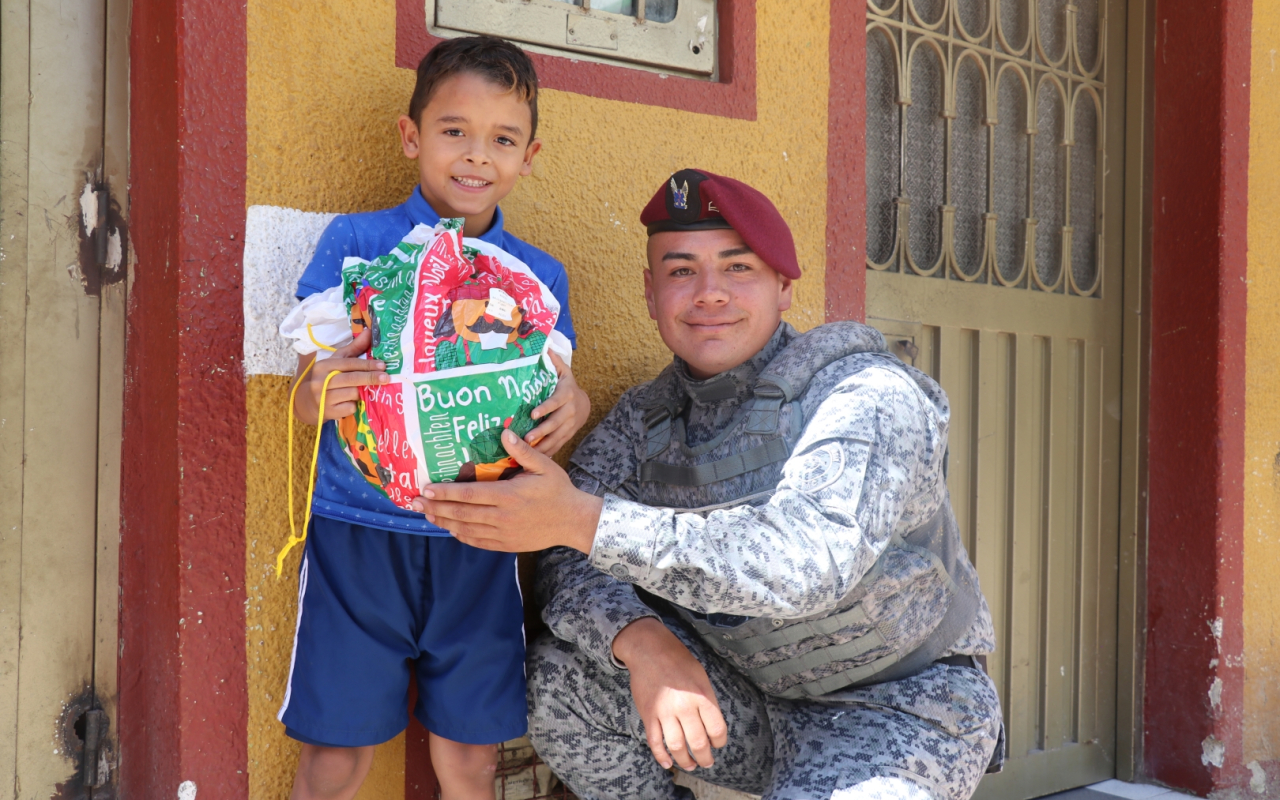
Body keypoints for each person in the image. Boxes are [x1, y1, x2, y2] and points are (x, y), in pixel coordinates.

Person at [414, 169, 1005, 799]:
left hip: (899, 706)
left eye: (738, 268)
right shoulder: (646, 419)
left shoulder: (867, 395)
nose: (709, 293)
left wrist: (584, 520)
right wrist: (642, 645)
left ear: (783, 284)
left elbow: (804, 564)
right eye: (680, 271)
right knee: (560, 682)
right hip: (751, 701)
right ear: (650, 292)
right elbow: (564, 557)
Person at [280, 36, 590, 800]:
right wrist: (318, 393)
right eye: (454, 130)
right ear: (412, 135)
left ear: (529, 154)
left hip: (482, 537)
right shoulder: (355, 247)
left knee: (471, 762)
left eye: (502, 139)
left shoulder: (536, 276)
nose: (476, 155)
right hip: (359, 535)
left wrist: (573, 406)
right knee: (335, 756)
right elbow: (304, 392)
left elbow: (559, 389)